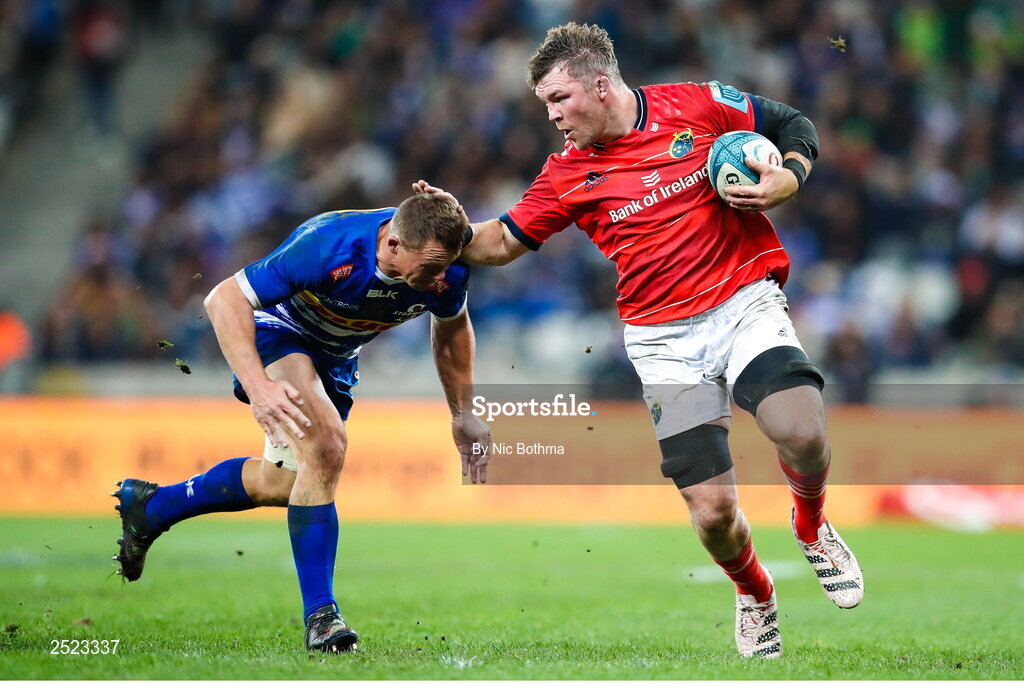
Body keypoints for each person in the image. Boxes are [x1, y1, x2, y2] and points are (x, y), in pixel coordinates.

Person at [415, 22, 862, 659]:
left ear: (600, 86)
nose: (552, 116)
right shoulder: (567, 173)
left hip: (743, 302)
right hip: (661, 338)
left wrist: (788, 177)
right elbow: (504, 240)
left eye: (559, 99)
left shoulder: (697, 104)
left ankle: (811, 527)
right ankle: (755, 591)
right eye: (545, 104)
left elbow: (792, 123)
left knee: (803, 429)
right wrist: (447, 230)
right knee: (713, 513)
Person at [112, 194, 492, 654]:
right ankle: (322, 616)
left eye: (444, 266)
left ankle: (153, 508)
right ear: (393, 243)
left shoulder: (447, 266)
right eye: (429, 266)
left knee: (283, 483)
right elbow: (224, 298)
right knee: (327, 447)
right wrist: (259, 387)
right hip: (279, 333)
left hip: (337, 357)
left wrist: (462, 411)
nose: (438, 278)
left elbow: (452, 328)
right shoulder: (327, 246)